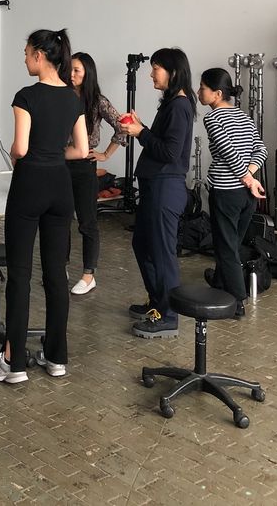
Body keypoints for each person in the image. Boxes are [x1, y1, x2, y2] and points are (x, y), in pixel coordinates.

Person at [0, 29, 88, 385]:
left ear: (40, 56)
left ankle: (13, 363)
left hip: (29, 184)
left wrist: (19, 156)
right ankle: (56, 357)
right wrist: (53, 155)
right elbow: (81, 149)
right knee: (56, 275)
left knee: (20, 274)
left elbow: (21, 148)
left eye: (26, 51)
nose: (24, 57)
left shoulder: (26, 96)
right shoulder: (73, 99)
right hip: (60, 186)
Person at [119, 47, 196, 339]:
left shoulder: (179, 105)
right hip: (156, 185)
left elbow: (169, 152)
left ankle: (169, 314)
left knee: (162, 253)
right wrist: (142, 129)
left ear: (173, 72)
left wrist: (140, 132)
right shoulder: (172, 104)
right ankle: (158, 303)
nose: (152, 73)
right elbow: (163, 142)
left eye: (156, 68)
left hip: (166, 188)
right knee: (143, 245)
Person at [198, 68, 267, 317]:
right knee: (232, 242)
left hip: (227, 192)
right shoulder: (244, 117)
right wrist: (250, 176)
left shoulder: (213, 118)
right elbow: (261, 150)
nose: (198, 92)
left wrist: (247, 179)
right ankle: (219, 280)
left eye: (202, 88)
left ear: (217, 94)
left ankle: (237, 301)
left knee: (226, 246)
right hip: (247, 196)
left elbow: (228, 153)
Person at [68, 52, 126, 296]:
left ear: (87, 73)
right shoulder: (61, 95)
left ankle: (88, 275)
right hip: (60, 164)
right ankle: (60, 269)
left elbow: (122, 125)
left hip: (84, 166)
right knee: (58, 221)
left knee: (87, 222)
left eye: (77, 71)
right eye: (69, 69)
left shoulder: (97, 101)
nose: (71, 75)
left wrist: (105, 154)